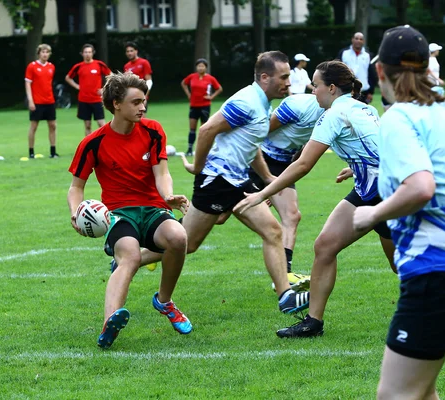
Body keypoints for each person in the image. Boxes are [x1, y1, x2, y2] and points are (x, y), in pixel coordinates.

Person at [351, 25, 445, 400]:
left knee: (394, 395)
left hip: (436, 270)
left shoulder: (399, 117)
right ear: (426, 67)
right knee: (421, 391)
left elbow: (421, 186)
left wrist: (372, 216)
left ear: (379, 71)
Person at [137, 51, 311, 321]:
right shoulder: (247, 102)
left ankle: (285, 295)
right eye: (284, 77)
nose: (289, 82)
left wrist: (267, 179)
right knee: (188, 244)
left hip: (238, 181)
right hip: (217, 181)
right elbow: (207, 130)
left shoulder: (263, 104)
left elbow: (250, 145)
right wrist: (198, 166)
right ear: (265, 77)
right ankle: (130, 260)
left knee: (273, 231)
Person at [234, 60, 396, 338]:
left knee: (403, 263)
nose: (312, 90)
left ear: (331, 88)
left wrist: (263, 192)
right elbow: (379, 146)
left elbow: (303, 165)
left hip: (383, 192)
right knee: (325, 247)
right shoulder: (364, 108)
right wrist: (356, 165)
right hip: (374, 188)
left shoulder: (333, 115)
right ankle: (313, 322)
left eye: (316, 85)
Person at [67, 72, 192, 349]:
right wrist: (76, 212)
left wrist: (167, 196)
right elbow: (76, 186)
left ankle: (164, 301)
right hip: (118, 213)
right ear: (115, 104)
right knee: (130, 257)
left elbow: (162, 172)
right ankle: (109, 322)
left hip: (152, 208)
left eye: (144, 101)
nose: (142, 107)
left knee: (179, 238)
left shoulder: (153, 130)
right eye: (136, 102)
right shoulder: (93, 142)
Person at [250, 93, 325, 288]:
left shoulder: (332, 116)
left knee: (291, 216)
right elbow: (261, 132)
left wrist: (273, 188)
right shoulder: (298, 105)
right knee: (218, 215)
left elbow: (305, 152)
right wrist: (264, 185)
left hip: (281, 166)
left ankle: (284, 275)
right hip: (256, 159)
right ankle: (163, 240)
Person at [65, 44, 112, 136]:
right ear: (82, 54)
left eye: (89, 52)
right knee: (87, 125)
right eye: (85, 52)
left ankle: (106, 143)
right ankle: (88, 146)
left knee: (101, 123)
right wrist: (77, 86)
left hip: (97, 100)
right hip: (84, 100)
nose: (87, 54)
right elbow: (68, 78)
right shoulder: (78, 66)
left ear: (93, 53)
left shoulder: (99, 64)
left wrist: (105, 88)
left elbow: (112, 76)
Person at [180, 58, 223, 156]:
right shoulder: (192, 77)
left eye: (202, 66)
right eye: (199, 66)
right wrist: (188, 94)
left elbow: (219, 88)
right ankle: (190, 149)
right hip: (194, 106)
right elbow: (183, 83)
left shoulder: (210, 78)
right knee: (192, 129)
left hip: (205, 106)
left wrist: (211, 97)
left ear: (206, 68)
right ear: (196, 67)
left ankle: (203, 150)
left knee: (203, 129)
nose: (200, 68)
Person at [25, 43, 58, 159]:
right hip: (37, 102)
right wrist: (30, 101)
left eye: (47, 52)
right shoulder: (32, 66)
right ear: (39, 53)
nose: (45, 54)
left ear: (49, 54)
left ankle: (53, 152)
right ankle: (31, 152)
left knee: (53, 125)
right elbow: (28, 84)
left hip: (49, 101)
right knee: (34, 126)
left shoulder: (51, 67)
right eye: (42, 52)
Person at [338, 32, 378, 104]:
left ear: (363, 41)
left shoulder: (368, 55)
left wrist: (371, 92)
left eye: (361, 39)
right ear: (352, 39)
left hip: (363, 92)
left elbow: (372, 74)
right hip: (346, 91)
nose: (358, 41)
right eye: (356, 38)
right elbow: (337, 70)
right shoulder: (344, 53)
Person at [124, 42, 153, 115]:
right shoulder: (126, 66)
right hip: (130, 97)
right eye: (127, 51)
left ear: (136, 51)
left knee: (141, 120)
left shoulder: (144, 62)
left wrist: (145, 97)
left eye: (131, 51)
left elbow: (149, 81)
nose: (129, 53)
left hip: (141, 96)